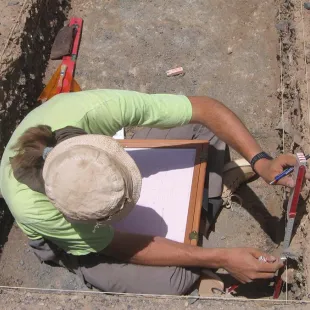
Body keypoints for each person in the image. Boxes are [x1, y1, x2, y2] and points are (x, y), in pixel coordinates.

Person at [0, 89, 302, 295]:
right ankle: (205, 211)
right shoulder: (36, 208)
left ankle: (199, 220)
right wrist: (220, 258)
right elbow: (120, 245)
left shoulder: (95, 109)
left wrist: (261, 161)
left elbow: (204, 109)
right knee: (173, 280)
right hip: (80, 239)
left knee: (205, 133)